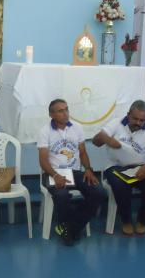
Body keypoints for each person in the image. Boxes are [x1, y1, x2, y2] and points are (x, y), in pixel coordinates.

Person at [37, 99, 106, 246]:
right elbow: (43, 160)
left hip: (75, 172)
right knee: (61, 195)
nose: (65, 113)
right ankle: (71, 228)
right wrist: (55, 175)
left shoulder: (77, 128)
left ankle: (69, 227)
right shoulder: (45, 131)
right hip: (52, 173)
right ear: (51, 114)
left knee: (99, 192)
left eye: (66, 109)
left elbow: (82, 152)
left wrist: (88, 169)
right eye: (61, 111)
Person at [93, 100, 145, 235]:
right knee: (121, 185)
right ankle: (126, 220)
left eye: (142, 120)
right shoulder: (116, 123)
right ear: (128, 115)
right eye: (135, 118)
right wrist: (107, 139)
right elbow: (95, 141)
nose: (138, 123)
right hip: (115, 167)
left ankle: (143, 221)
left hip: (140, 168)